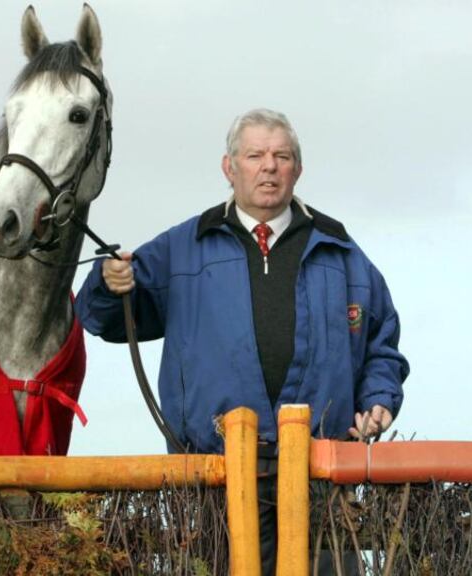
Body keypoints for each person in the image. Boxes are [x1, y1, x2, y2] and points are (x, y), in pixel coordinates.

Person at [75, 108, 409, 574]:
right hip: (214, 477)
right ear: (229, 168)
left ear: (298, 168)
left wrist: (378, 400)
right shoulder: (183, 246)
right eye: (254, 155)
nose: (269, 166)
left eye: (282, 156)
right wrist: (108, 281)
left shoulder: (344, 254)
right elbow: (106, 318)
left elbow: (381, 346)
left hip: (323, 477)